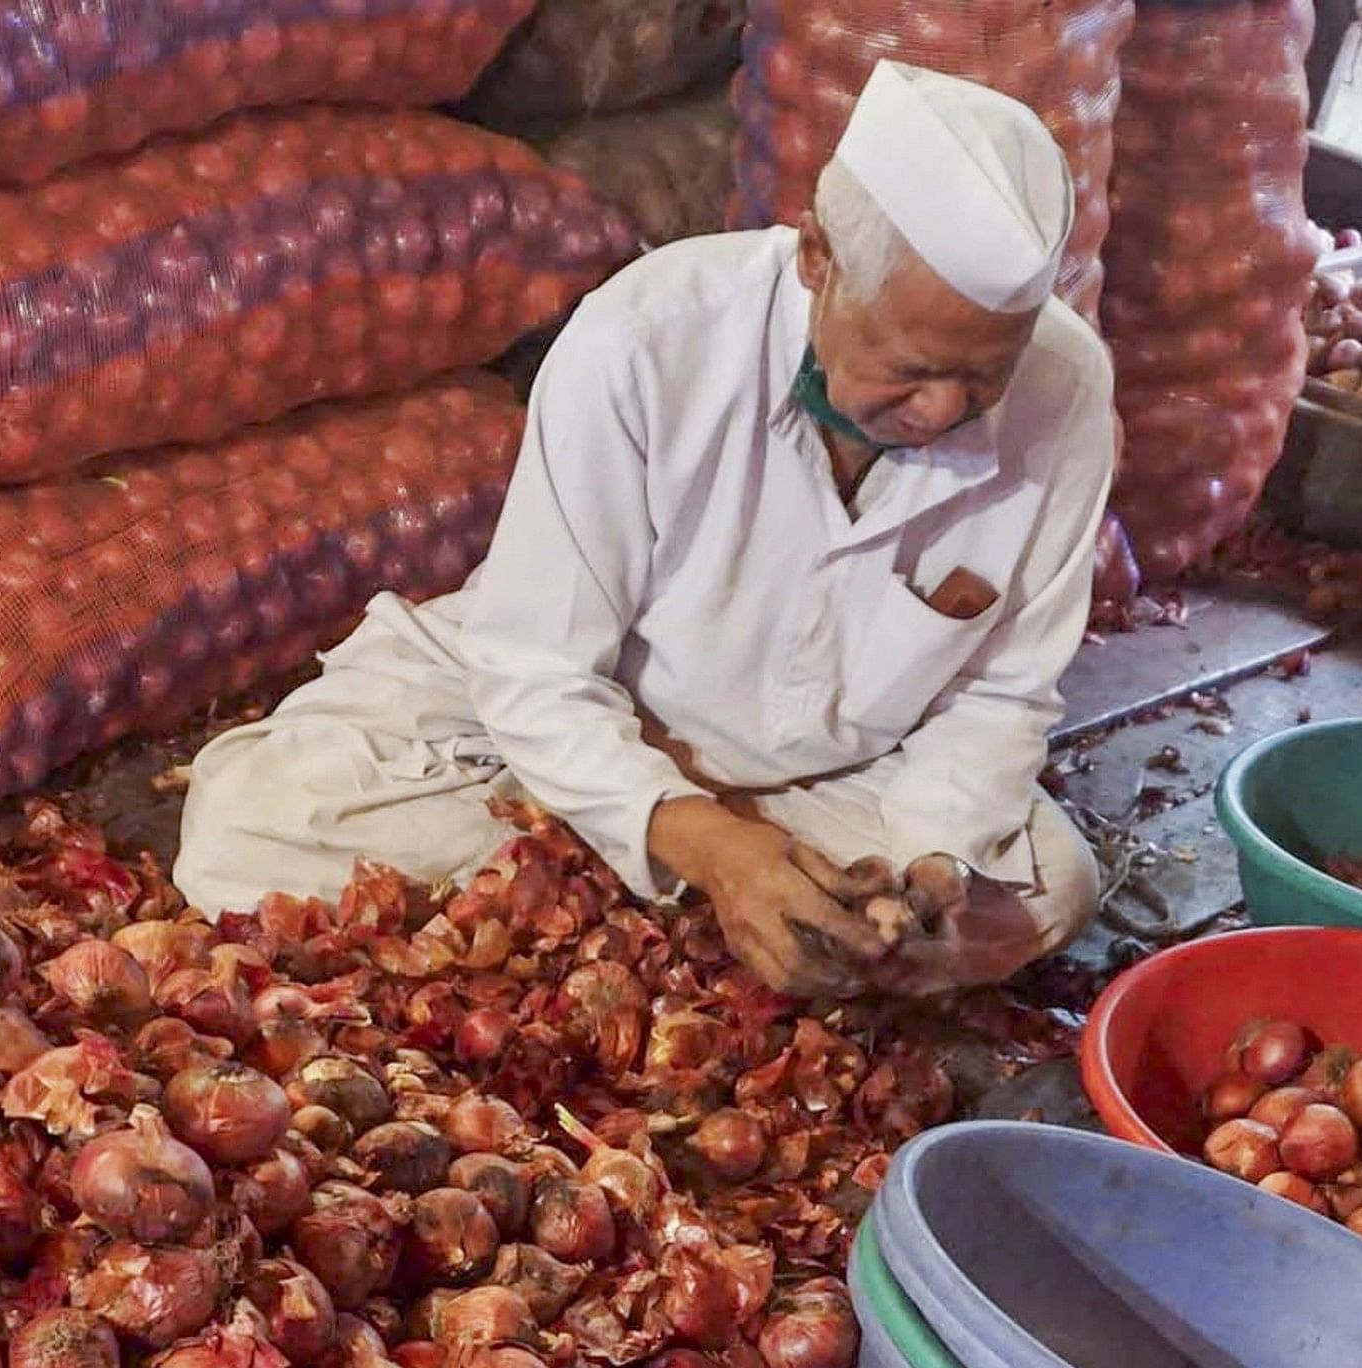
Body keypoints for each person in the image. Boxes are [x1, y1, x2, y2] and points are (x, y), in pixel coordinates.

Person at [172, 61, 1115, 998]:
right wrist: (707, 840)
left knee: (1048, 884)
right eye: (911, 369)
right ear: (818, 259)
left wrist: (932, 864)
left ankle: (688, 908)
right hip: (575, 727)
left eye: (984, 375)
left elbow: (1001, 696)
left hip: (839, 777)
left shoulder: (1067, 391)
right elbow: (540, 672)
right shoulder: (648, 339)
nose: (946, 407)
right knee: (250, 819)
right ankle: (715, 895)